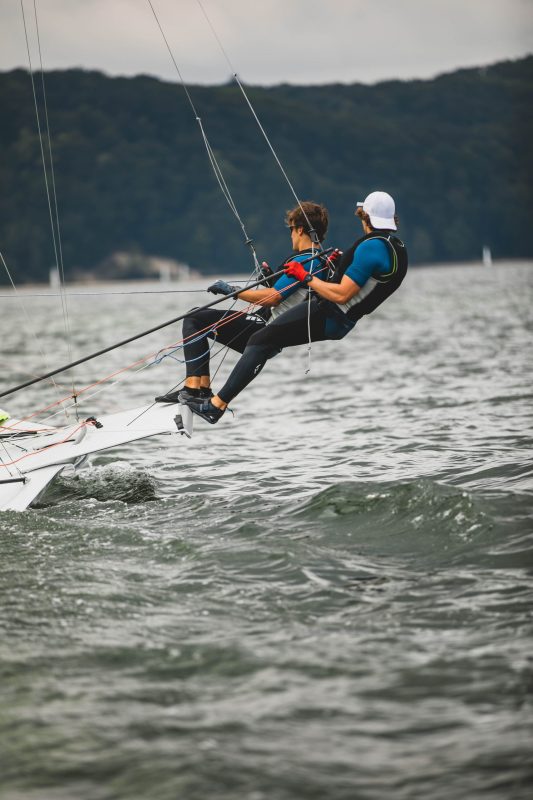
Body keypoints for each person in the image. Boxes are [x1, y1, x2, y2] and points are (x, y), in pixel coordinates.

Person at [182, 190, 408, 424]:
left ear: (365, 216)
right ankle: (206, 397)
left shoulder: (372, 247)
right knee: (262, 339)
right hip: (338, 318)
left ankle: (214, 405)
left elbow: (341, 295)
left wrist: (303, 277)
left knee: (259, 339)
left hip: (332, 313)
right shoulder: (396, 248)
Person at [155, 201, 330, 405]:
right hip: (270, 329)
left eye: (291, 229)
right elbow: (291, 293)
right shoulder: (317, 260)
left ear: (299, 230)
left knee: (194, 318)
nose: (290, 235)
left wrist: (233, 291)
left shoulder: (306, 261)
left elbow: (274, 297)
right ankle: (199, 389)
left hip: (264, 328)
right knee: (197, 318)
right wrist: (270, 279)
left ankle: (194, 389)